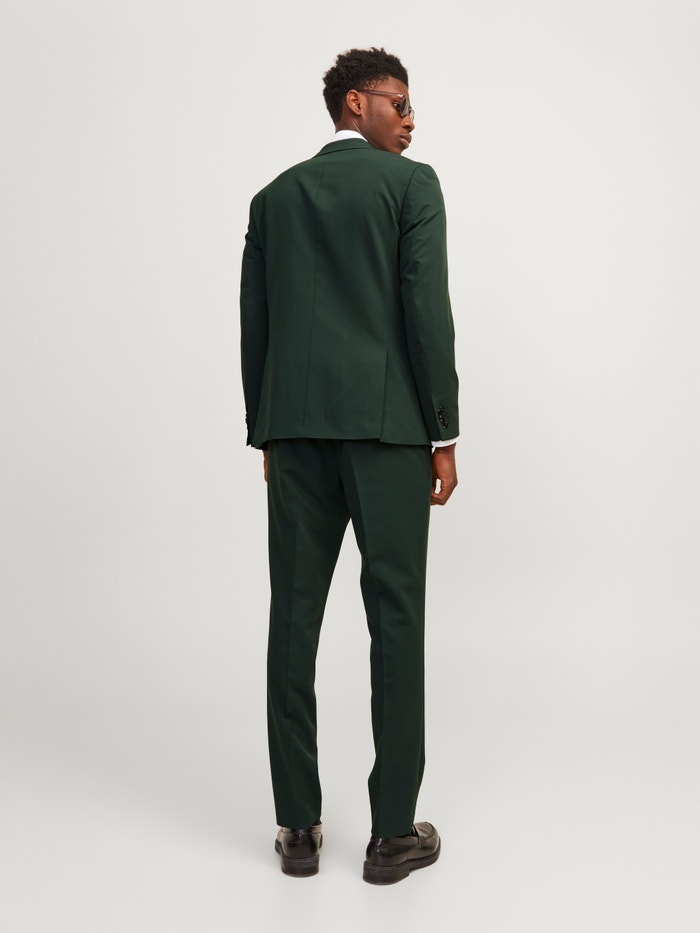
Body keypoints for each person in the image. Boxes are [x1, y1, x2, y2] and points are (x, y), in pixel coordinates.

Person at [240, 46, 459, 885]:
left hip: (295, 433)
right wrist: (443, 431)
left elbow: (255, 321)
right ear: (356, 104)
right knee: (396, 621)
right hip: (389, 433)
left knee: (292, 621)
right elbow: (425, 310)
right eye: (399, 103)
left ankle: (298, 826)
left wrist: (267, 431)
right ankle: (393, 833)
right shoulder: (411, 187)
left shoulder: (275, 197)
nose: (411, 120)